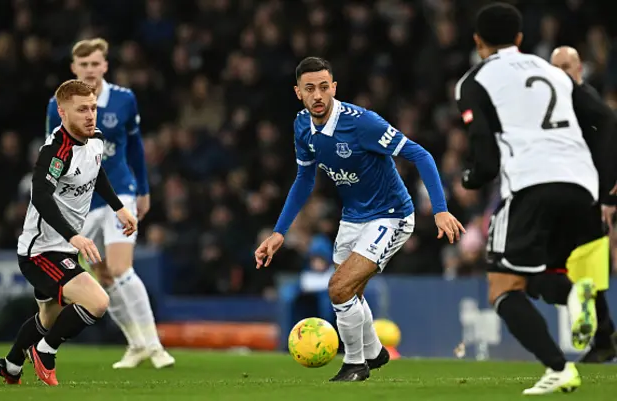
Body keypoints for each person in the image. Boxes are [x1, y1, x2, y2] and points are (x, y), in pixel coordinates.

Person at [255, 56, 465, 382]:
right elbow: (304, 180)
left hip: (391, 215)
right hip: (353, 218)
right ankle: (375, 351)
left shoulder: (362, 123)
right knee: (351, 292)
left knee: (339, 288)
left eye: (324, 87)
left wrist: (439, 209)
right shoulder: (301, 126)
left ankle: (355, 364)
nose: (318, 95)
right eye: (309, 88)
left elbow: (420, 154)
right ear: (298, 92)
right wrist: (279, 232)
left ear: (334, 88)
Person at [456, 3, 617, 394]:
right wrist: (604, 182)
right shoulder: (552, 72)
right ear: (520, 38)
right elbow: (607, 118)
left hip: (531, 184)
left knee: (502, 287)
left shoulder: (474, 81)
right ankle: (578, 298)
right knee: (534, 277)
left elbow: (484, 152)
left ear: (478, 42)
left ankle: (558, 368)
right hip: (582, 188)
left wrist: (473, 177)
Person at [0, 80, 138, 386]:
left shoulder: (95, 138)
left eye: (93, 108)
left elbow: (96, 173)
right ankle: (45, 352)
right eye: (81, 109)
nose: (90, 115)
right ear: (62, 112)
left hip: (64, 248)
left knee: (48, 318)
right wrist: (74, 236)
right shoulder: (57, 151)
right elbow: (41, 196)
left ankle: (12, 365)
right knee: (97, 302)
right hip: (40, 251)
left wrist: (118, 207)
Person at [46, 38, 174, 369]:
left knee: (120, 267)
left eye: (95, 64)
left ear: (105, 66)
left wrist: (143, 190)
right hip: (81, 202)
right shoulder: (56, 106)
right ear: (74, 68)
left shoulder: (124, 100)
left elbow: (135, 147)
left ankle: (155, 345)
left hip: (120, 193)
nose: (89, 70)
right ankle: (136, 345)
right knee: (102, 277)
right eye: (83, 64)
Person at [546, 46, 617, 363]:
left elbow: (608, 122)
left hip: (583, 196)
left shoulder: (581, 98)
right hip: (568, 193)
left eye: (566, 66)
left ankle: (601, 333)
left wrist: (605, 192)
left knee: (562, 268)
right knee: (579, 270)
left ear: (579, 70)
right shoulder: (557, 101)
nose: (560, 72)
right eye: (555, 66)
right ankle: (603, 336)